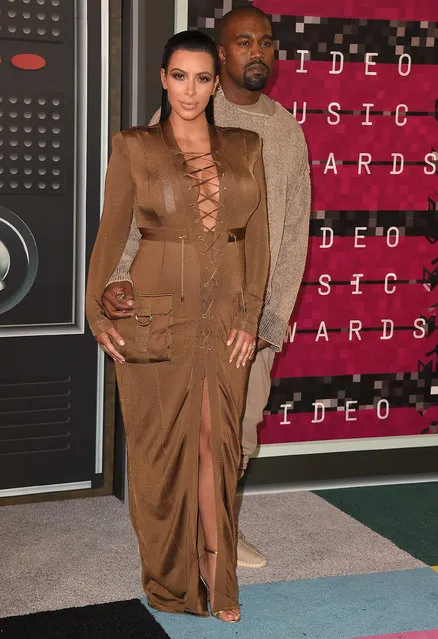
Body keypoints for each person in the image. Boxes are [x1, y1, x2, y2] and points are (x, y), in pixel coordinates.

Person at [98, 6, 311, 568]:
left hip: (244, 314)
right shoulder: (179, 114)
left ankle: (219, 527)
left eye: (266, 42)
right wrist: (117, 289)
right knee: (171, 430)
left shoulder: (284, 132)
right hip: (172, 306)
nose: (258, 52)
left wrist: (267, 319)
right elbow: (134, 217)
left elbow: (292, 234)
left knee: (234, 431)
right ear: (220, 56)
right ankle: (180, 537)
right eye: (244, 42)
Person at [86, 30, 270, 622]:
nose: (191, 90)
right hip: (156, 319)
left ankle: (219, 578)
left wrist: (249, 317)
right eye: (180, 76)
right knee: (161, 456)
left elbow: (258, 242)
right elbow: (112, 234)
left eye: (203, 78)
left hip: (224, 325)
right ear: (163, 79)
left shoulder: (246, 147)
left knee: (217, 451)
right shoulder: (135, 147)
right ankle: (171, 582)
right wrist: (95, 312)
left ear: (217, 84)